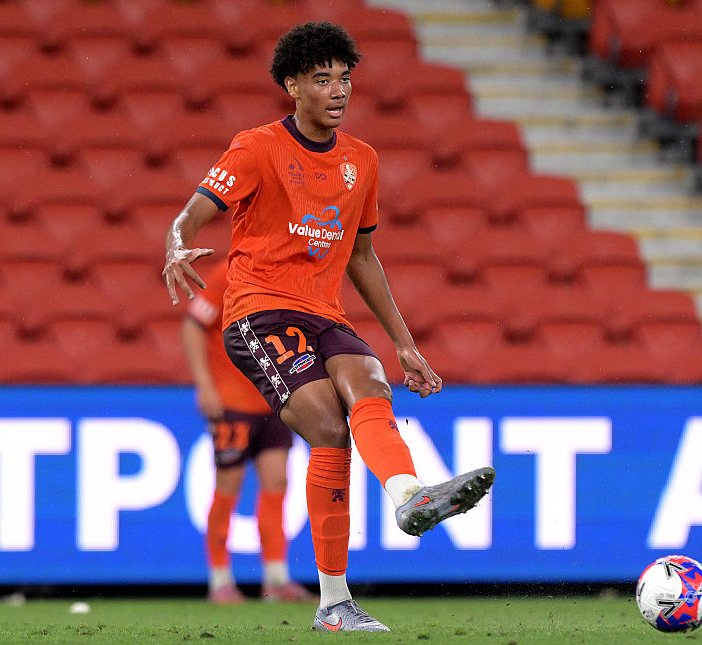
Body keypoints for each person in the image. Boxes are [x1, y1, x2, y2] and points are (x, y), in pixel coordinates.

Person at [162, 21, 495, 632]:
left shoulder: (362, 160)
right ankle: (334, 599)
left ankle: (405, 501)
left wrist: (405, 344)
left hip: (325, 313)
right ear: (292, 86)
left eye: (345, 78)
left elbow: (363, 257)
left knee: (371, 381)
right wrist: (176, 243)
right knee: (326, 427)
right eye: (322, 79)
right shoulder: (256, 147)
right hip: (259, 311)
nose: (338, 90)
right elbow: (194, 213)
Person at [183, 261, 317, 605]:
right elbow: (194, 326)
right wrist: (205, 385)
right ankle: (220, 580)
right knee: (229, 486)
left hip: (273, 400)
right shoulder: (225, 275)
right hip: (231, 401)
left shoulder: (286, 274)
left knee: (277, 484)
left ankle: (275, 579)